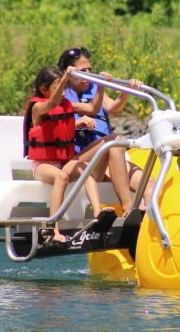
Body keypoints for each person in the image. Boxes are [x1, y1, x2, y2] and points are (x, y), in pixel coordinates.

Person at [23, 66, 113, 245]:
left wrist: (101, 86)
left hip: (64, 161)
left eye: (64, 87)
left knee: (84, 168)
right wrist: (66, 77)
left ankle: (98, 214)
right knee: (61, 176)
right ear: (43, 89)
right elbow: (51, 105)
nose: (63, 91)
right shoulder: (38, 107)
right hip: (42, 166)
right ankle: (52, 228)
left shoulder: (67, 105)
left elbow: (94, 108)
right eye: (58, 86)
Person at [58, 46, 155, 210]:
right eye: (83, 70)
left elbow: (112, 107)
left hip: (105, 156)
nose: (88, 74)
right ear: (70, 73)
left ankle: (146, 226)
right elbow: (58, 123)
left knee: (149, 185)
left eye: (90, 69)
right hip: (79, 161)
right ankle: (127, 207)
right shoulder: (61, 93)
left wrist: (126, 91)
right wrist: (80, 121)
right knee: (115, 141)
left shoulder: (93, 87)